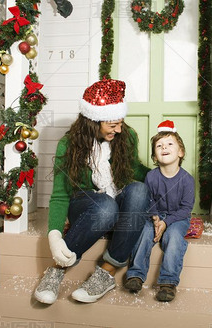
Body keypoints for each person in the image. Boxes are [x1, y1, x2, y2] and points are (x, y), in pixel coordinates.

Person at [34, 79, 150, 304]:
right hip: (88, 204)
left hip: (116, 197)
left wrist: (165, 174)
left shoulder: (126, 136)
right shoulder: (69, 145)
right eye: (112, 124)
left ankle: (106, 273)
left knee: (139, 190)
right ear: (93, 121)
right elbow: (60, 195)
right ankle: (57, 270)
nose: (118, 129)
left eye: (120, 122)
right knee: (106, 207)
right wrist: (55, 235)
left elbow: (134, 169)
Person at [124, 120, 195, 302]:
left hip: (177, 218)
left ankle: (168, 282)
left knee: (174, 238)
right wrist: (155, 218)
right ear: (155, 156)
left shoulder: (187, 180)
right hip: (154, 216)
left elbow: (186, 209)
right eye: (159, 145)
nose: (164, 147)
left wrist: (166, 222)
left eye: (170, 144)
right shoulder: (151, 176)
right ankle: (135, 274)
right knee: (144, 232)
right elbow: (148, 201)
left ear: (181, 152)